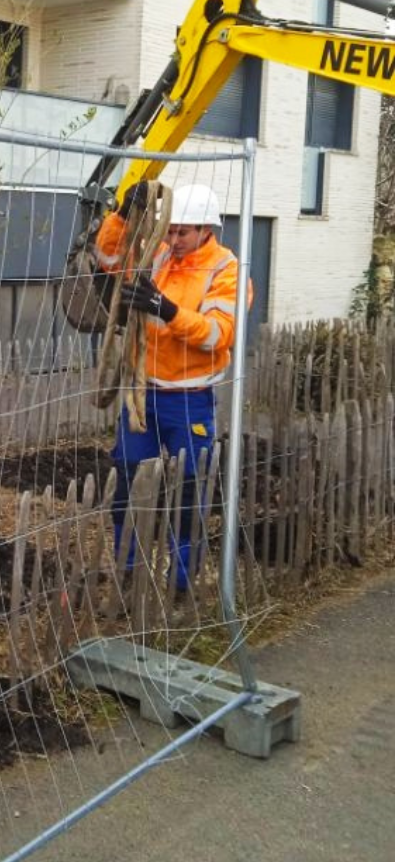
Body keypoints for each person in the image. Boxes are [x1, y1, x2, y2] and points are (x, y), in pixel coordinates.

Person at [95, 182, 250, 589]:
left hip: (190, 399)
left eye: (183, 232)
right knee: (127, 479)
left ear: (206, 229)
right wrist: (122, 217)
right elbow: (109, 257)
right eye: (170, 230)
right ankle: (127, 566)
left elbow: (218, 333)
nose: (173, 239)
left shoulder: (227, 270)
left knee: (187, 491)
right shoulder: (159, 255)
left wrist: (166, 310)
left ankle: (182, 579)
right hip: (143, 395)